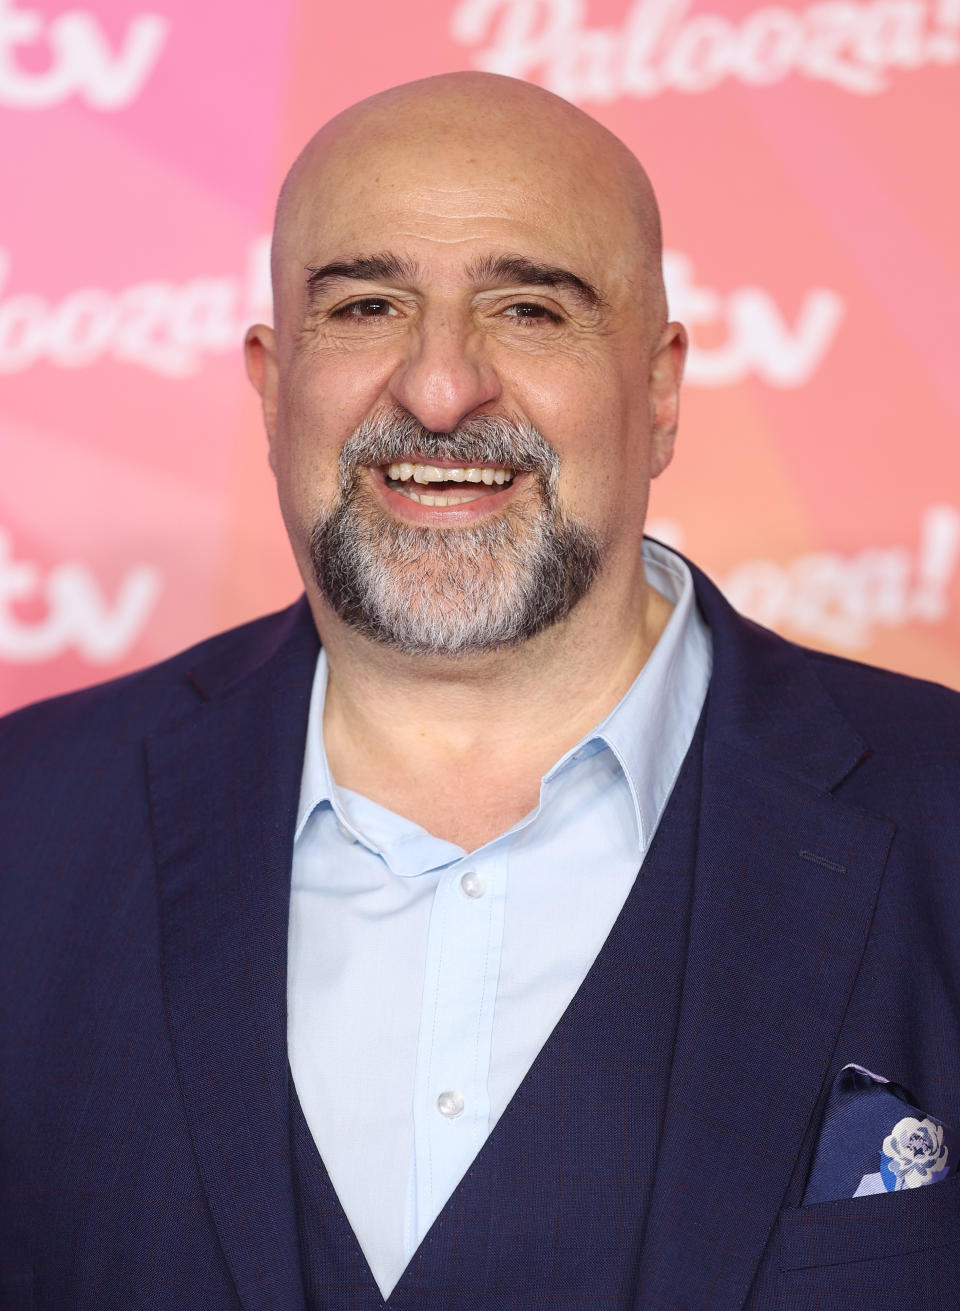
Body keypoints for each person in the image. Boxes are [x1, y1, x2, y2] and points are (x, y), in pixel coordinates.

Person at [2, 72, 959, 1311]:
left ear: (660, 387)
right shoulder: (27, 826)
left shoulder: (944, 814)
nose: (441, 389)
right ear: (271, 381)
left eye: (528, 309)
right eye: (364, 305)